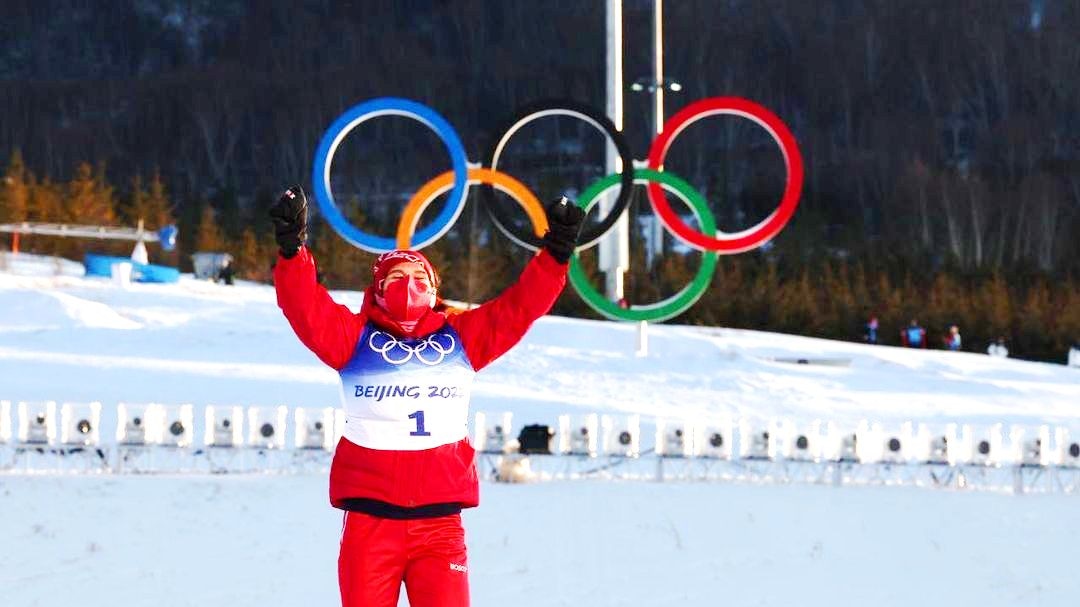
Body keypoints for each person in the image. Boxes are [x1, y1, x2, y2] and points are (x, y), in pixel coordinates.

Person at [269, 185, 584, 607]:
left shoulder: (463, 338)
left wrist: (556, 254)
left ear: (434, 291)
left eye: (419, 279)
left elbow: (520, 307)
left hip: (439, 526)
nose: (409, 286)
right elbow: (304, 307)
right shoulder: (353, 339)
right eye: (397, 278)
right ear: (378, 290)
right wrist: (293, 251)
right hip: (370, 523)